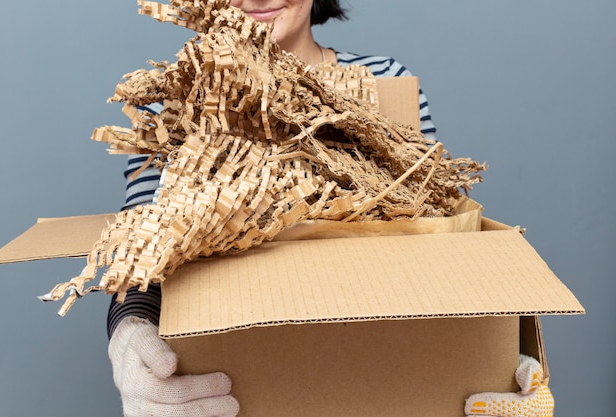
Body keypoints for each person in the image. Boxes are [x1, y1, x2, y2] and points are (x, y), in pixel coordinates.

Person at [106, 1, 439, 416]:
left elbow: (434, 240)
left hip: (374, 373)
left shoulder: (386, 83)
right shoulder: (169, 102)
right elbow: (141, 245)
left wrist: (487, 356)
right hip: (230, 387)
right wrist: (129, 333)